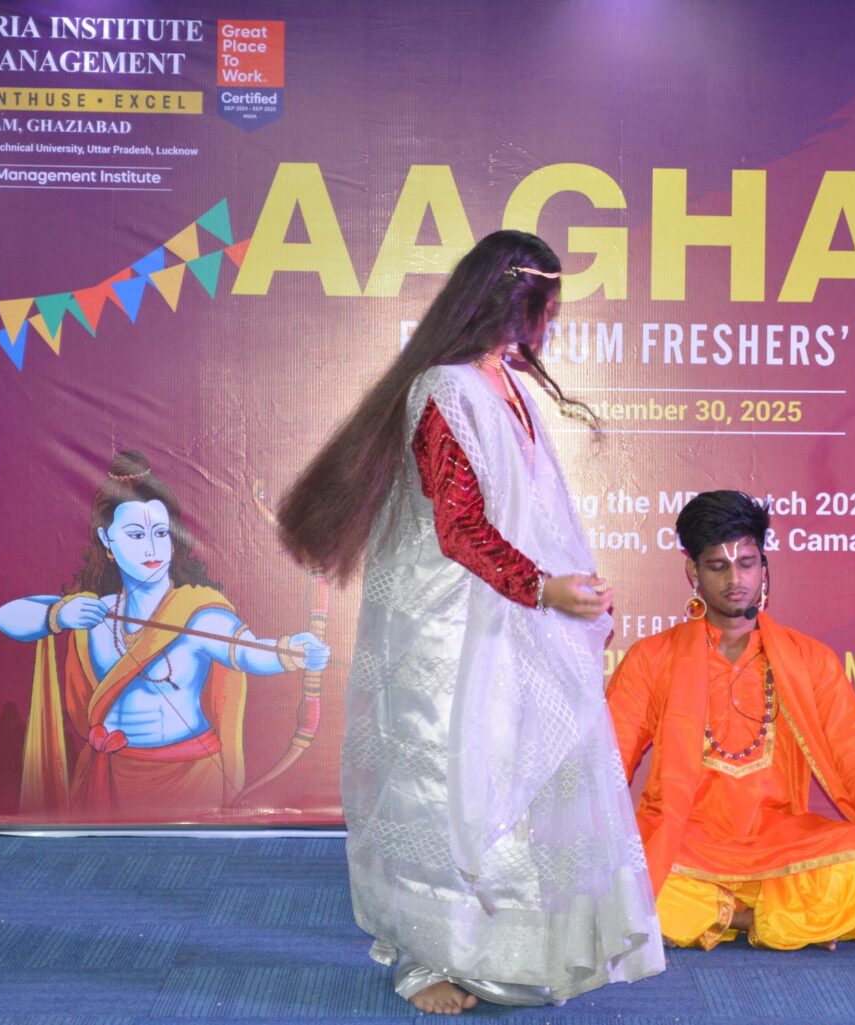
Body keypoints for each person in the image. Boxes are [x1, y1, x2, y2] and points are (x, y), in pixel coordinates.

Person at [275, 230, 662, 1014]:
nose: (548, 322)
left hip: (509, 619)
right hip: (447, 632)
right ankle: (423, 958)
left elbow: (534, 513)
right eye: (545, 305)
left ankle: (496, 948)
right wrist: (546, 589)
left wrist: (570, 590)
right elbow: (460, 530)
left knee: (502, 785)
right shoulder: (443, 390)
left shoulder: (504, 383)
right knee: (441, 791)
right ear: (515, 302)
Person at [606, 491, 855, 953]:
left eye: (746, 563)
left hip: (780, 842)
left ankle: (722, 916)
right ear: (693, 572)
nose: (735, 580)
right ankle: (765, 920)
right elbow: (608, 762)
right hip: (685, 839)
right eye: (718, 566)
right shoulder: (652, 658)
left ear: (763, 567)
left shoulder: (810, 660)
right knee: (610, 872)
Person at [0, 451, 330, 821]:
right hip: (109, 776)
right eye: (135, 535)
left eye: (161, 533)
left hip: (189, 778)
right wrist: (57, 615)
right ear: (107, 540)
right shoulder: (94, 612)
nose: (151, 548)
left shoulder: (198, 612)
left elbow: (249, 653)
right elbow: (2, 618)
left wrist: (291, 651)